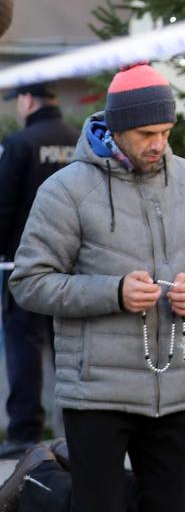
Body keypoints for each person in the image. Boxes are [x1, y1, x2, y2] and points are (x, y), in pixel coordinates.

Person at [0, 65, 185, 512]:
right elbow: (29, 281)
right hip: (97, 388)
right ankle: (33, 479)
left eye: (166, 132)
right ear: (115, 129)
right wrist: (113, 292)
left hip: (172, 387)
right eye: (146, 133)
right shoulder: (66, 190)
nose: (158, 143)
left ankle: (96, 483)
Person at [0, 83, 79, 459]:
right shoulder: (78, 140)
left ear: (27, 100)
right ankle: (77, 428)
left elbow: (3, 205)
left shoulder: (20, 143)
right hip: (71, 267)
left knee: (24, 347)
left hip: (24, 265)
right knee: (69, 345)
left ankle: (24, 431)